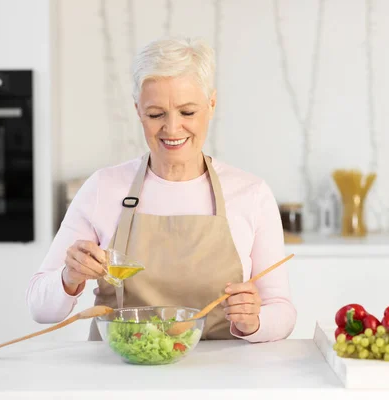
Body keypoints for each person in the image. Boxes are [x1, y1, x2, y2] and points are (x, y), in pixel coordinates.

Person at [26, 36, 296, 342]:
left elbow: (282, 310)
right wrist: (69, 278)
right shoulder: (103, 188)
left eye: (187, 112)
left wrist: (255, 321)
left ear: (211, 104)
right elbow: (40, 307)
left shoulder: (251, 193)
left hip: (222, 375)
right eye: (156, 114)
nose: (172, 128)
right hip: (122, 376)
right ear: (138, 110)